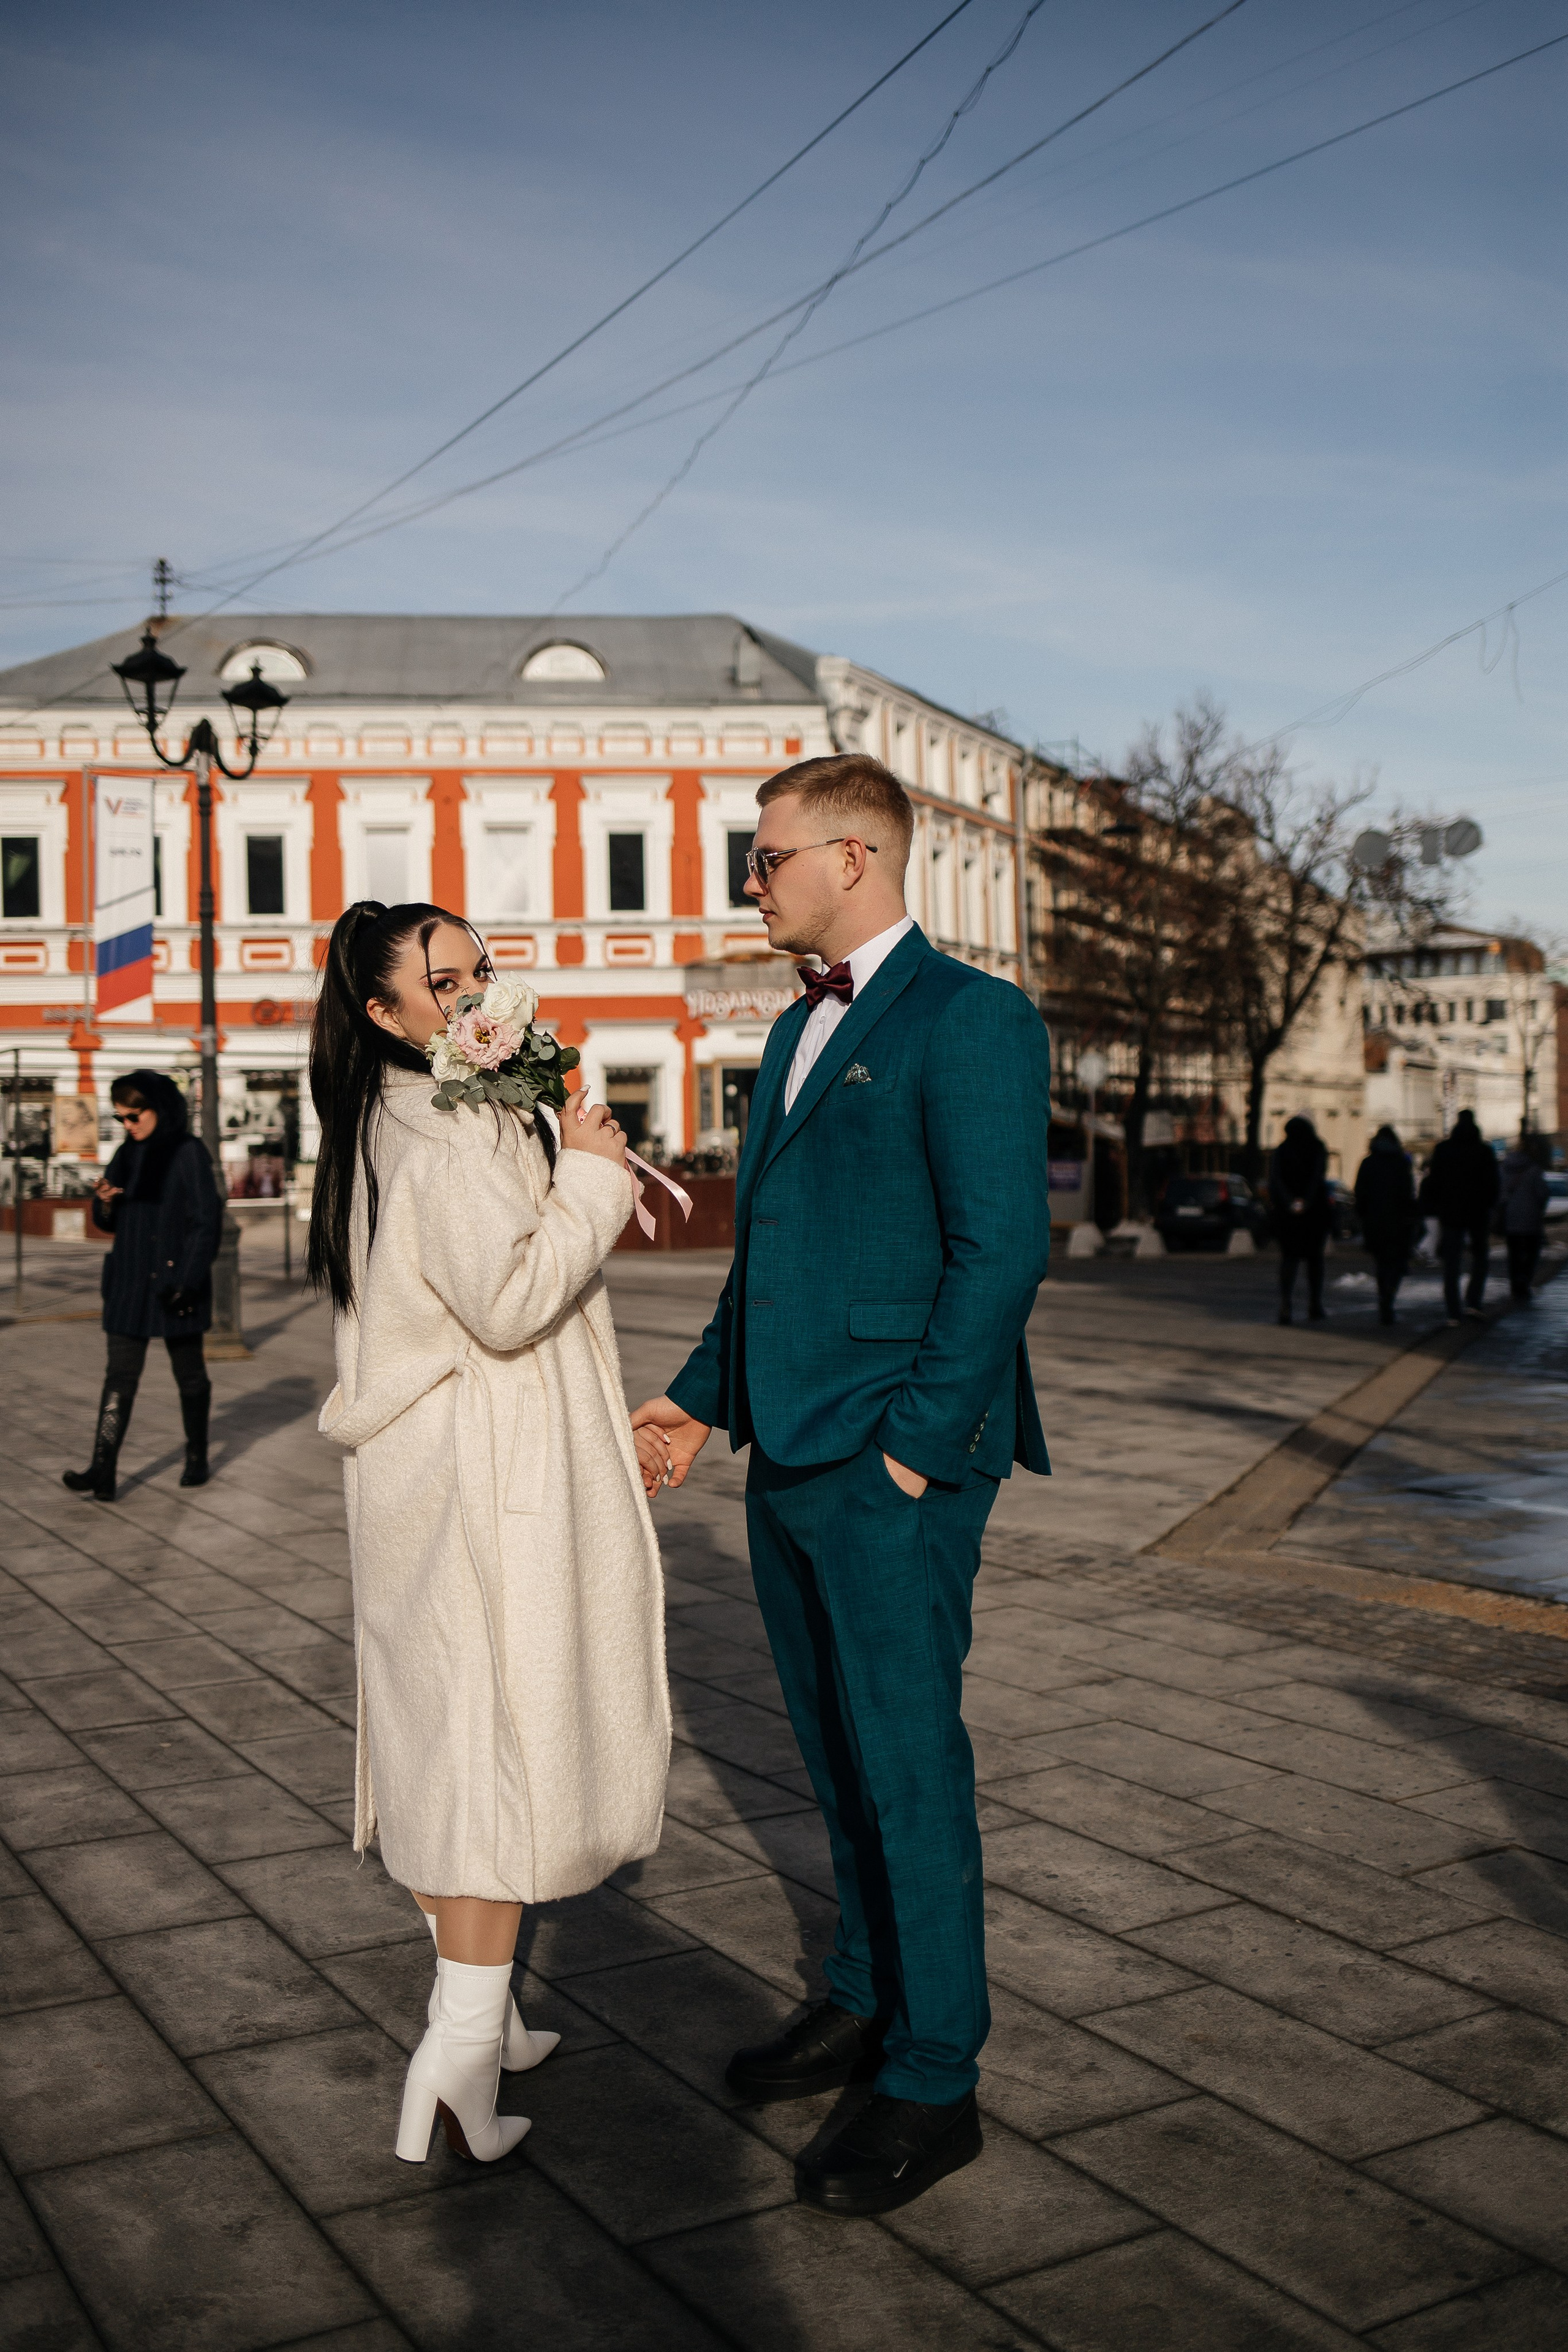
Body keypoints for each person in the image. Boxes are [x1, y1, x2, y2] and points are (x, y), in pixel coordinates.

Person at [630, 755, 1052, 2220]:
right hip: (787, 1448)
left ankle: (935, 2076)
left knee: (905, 1761)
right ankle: (866, 1996)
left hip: (890, 1464)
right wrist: (699, 1397)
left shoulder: (972, 1016)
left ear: (854, 856)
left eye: (765, 857)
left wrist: (910, 1454)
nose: (747, 881)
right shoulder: (795, 1025)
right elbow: (773, 1257)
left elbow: (998, 1252)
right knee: (833, 1750)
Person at [307, 900, 670, 2168]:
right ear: (383, 1013)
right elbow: (511, 1300)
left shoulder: (398, 1113)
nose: (475, 997)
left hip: (438, 1470)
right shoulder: (443, 1128)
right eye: (444, 982)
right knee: (491, 1763)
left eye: (481, 971)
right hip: (481, 1475)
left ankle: (486, 2015)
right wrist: (593, 1176)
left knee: (445, 1744)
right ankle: (458, 2046)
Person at [63, 1069, 221, 1502]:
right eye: (121, 1118)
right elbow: (108, 1222)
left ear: (160, 1109)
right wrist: (105, 1203)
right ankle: (103, 1468)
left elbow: (206, 1222)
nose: (128, 1125)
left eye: (134, 1116)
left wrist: (188, 1281)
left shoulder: (188, 1152)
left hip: (176, 1284)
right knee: (119, 1375)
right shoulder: (126, 1154)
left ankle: (197, 1456)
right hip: (130, 1280)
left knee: (190, 1375)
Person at [1420, 1107, 1499, 1324]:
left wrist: (1437, 1207)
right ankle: (1473, 1302)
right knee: (1480, 1258)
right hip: (1477, 1212)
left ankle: (1453, 1311)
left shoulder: (1443, 1150)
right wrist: (1488, 1205)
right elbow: (1493, 1184)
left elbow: (1434, 1182)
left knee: (1452, 1263)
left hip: (1451, 1213)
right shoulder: (1484, 1151)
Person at [1353, 1126, 1419, 1325]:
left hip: (1375, 1222)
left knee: (1382, 1263)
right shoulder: (1401, 1163)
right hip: (1398, 1223)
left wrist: (1363, 1216)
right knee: (1396, 1263)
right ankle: (1389, 1296)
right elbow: (1408, 1193)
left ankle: (1384, 1296)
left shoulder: (1368, 1163)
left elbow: (1360, 1193)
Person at [1268, 1115, 1330, 1325]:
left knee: (1289, 1259)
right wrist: (1306, 1202)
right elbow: (1317, 1178)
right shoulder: (1317, 1148)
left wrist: (1290, 1203)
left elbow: (1276, 1180)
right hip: (1314, 1213)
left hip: (1287, 1215)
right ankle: (1315, 1303)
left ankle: (1286, 1304)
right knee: (1315, 1260)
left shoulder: (1282, 1150)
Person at [1498, 1132, 1550, 1302]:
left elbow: (1500, 1193)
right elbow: (1542, 1194)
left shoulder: (1504, 1168)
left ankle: (1515, 1285)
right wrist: (1539, 1209)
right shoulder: (1534, 1169)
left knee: (1514, 1254)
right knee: (1531, 1253)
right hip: (1531, 1220)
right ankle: (1524, 1282)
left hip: (1511, 1219)